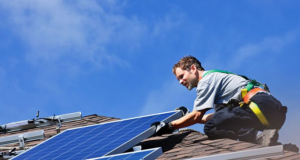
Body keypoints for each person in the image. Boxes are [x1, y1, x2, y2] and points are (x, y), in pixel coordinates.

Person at [154, 56, 286, 146]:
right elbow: (217, 117)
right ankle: (270, 143)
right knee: (216, 122)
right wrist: (187, 117)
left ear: (193, 69)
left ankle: (257, 137)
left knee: (211, 128)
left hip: (260, 106)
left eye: (182, 76)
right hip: (273, 111)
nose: (181, 82)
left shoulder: (206, 81)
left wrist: (169, 126)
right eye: (178, 80)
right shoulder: (216, 82)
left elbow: (197, 115)